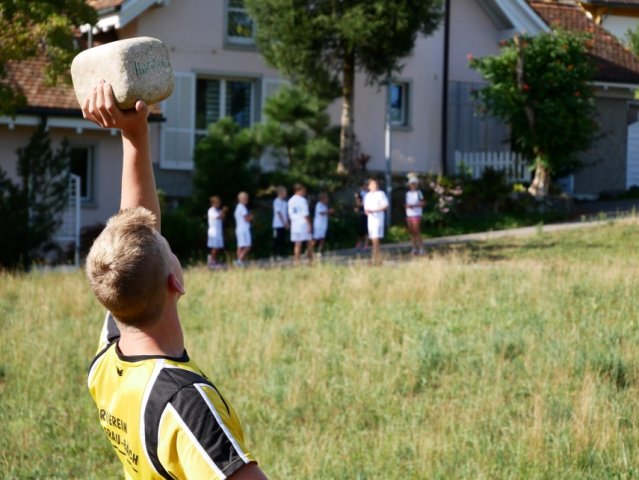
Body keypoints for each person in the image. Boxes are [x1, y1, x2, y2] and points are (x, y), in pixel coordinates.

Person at [82, 81, 267, 479]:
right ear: (176, 282)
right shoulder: (185, 404)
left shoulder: (109, 357)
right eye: (168, 248)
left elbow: (136, 235)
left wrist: (135, 134)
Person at [363, 178, 389, 265]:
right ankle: (377, 258)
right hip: (370, 219)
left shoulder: (380, 194)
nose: (373, 186)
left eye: (375, 184)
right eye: (371, 184)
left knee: (375, 238)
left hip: (378, 218)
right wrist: (367, 211)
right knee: (373, 238)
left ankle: (375, 258)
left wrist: (376, 210)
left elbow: (385, 205)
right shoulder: (367, 195)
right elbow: (366, 208)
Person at [288, 183, 313, 264]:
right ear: (300, 190)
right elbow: (305, 213)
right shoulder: (302, 200)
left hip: (294, 223)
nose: (304, 192)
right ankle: (310, 260)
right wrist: (309, 224)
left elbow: (290, 214)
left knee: (297, 243)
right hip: (302, 223)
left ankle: (297, 261)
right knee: (309, 241)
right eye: (304, 190)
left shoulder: (290, 200)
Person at [405, 175, 426, 255]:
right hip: (409, 214)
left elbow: (423, 203)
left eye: (414, 184)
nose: (413, 185)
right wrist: (407, 206)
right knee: (412, 232)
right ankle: (414, 247)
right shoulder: (407, 194)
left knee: (416, 231)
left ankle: (421, 248)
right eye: (411, 184)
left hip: (416, 214)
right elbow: (405, 203)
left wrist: (414, 206)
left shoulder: (419, 193)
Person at [207, 195, 228, 268]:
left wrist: (223, 212)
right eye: (217, 203)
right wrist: (223, 211)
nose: (218, 204)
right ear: (213, 203)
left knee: (218, 247)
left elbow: (222, 218)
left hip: (218, 232)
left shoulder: (218, 210)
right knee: (215, 247)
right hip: (213, 232)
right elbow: (219, 216)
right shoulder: (211, 210)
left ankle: (214, 260)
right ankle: (211, 261)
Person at [234, 191, 253, 267]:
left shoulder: (238, 207)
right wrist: (251, 217)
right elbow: (247, 218)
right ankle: (239, 260)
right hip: (243, 229)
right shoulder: (242, 207)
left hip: (240, 229)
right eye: (245, 198)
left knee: (241, 246)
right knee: (248, 246)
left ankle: (240, 260)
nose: (247, 200)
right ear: (241, 199)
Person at [272, 186, 289, 259]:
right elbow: (279, 213)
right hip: (277, 224)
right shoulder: (277, 201)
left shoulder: (285, 202)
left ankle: (282, 253)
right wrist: (284, 222)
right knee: (277, 239)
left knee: (283, 239)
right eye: (285, 192)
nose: (286, 194)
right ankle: (276, 254)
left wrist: (287, 222)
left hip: (283, 225)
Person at [354, 181, 370, 251]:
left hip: (368, 213)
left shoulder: (370, 194)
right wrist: (358, 204)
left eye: (366, 185)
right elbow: (357, 203)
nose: (365, 187)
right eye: (364, 185)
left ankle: (366, 244)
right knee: (360, 229)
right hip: (362, 212)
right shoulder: (360, 194)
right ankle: (360, 243)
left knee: (366, 229)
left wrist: (361, 204)